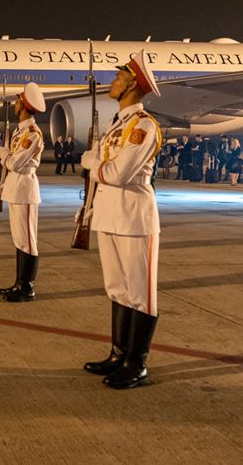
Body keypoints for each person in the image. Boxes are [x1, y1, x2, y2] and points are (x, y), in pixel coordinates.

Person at [80, 51, 163, 390]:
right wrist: (87, 208)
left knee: (140, 293)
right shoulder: (117, 125)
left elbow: (119, 172)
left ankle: (137, 363)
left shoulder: (143, 126)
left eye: (118, 77)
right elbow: (106, 177)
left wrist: (90, 162)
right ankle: (118, 354)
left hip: (134, 216)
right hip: (110, 213)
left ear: (132, 84)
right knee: (117, 288)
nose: (111, 82)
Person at [0, 83, 46, 301]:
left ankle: (27, 287)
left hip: (25, 188)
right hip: (16, 188)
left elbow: (16, 163)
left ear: (24, 105)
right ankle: (19, 283)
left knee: (27, 239)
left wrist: (4, 156)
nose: (16, 104)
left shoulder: (33, 133)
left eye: (19, 100)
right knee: (19, 239)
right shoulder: (21, 131)